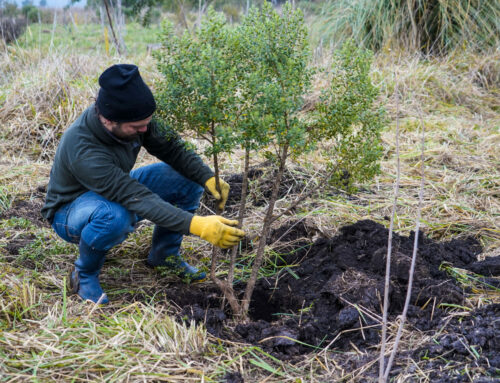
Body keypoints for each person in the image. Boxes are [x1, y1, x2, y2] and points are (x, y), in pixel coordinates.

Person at [41, 64, 245, 304]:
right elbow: (136, 197)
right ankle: (84, 274)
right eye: (137, 127)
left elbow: (172, 148)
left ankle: (164, 256)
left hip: (116, 190)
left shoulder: (134, 117)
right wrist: (196, 225)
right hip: (71, 210)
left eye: (146, 123)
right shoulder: (83, 148)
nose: (144, 129)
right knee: (114, 215)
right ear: (108, 121)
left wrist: (206, 176)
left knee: (184, 178)